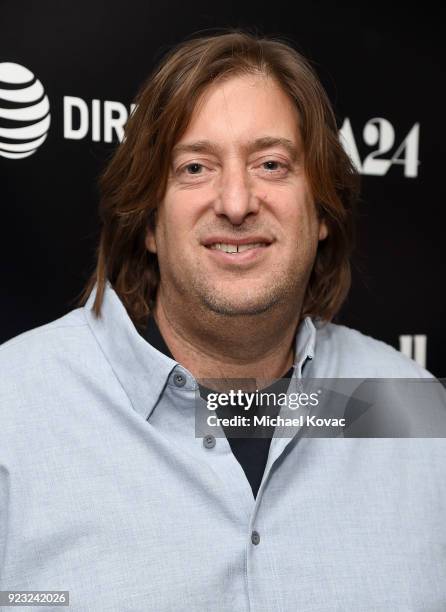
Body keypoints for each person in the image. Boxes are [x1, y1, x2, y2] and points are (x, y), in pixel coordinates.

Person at [1, 30, 445, 611]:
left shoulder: (413, 409)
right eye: (195, 167)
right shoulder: (13, 408)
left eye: (271, 163)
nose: (236, 203)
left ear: (322, 213)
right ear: (150, 221)